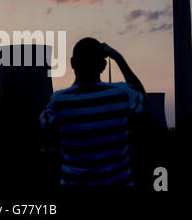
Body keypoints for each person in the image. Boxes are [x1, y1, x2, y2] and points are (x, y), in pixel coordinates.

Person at [40, 37, 147, 186]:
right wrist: (117, 57)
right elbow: (143, 97)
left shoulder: (59, 102)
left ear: (72, 63)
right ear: (103, 65)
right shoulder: (122, 94)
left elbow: (43, 133)